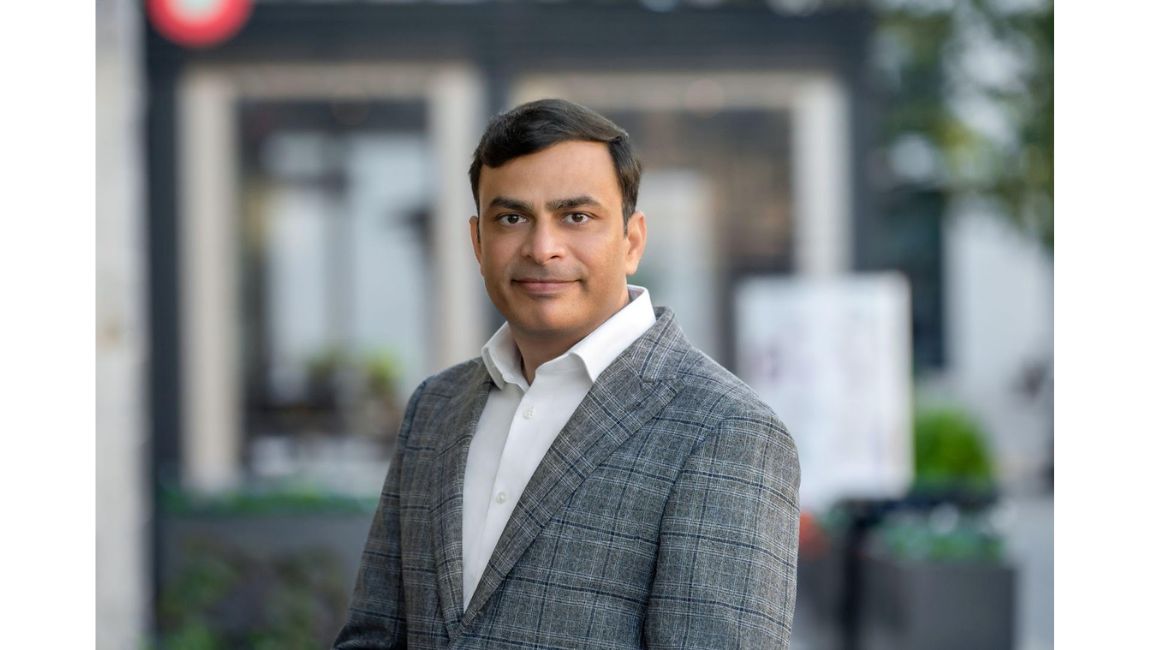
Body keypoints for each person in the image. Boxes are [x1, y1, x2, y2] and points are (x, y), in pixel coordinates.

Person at [333, 98, 800, 649]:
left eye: (576, 217)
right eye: (512, 218)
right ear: (478, 243)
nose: (542, 249)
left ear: (631, 241)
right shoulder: (435, 407)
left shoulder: (728, 431)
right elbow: (373, 636)